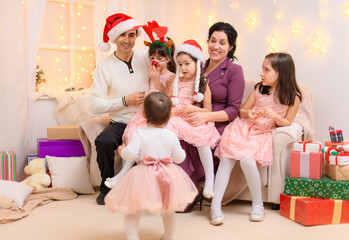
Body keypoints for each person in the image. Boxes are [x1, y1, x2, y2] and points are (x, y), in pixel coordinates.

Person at [211, 52, 302, 225]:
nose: (261, 73)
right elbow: (242, 111)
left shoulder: (293, 97)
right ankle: (215, 207)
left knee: (247, 161)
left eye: (266, 70)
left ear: (281, 73)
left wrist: (275, 116)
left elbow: (286, 122)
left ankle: (258, 205)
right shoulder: (259, 88)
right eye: (262, 69)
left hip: (261, 133)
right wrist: (249, 113)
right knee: (226, 160)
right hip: (244, 127)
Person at [105, 92, 198, 240]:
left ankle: (133, 237)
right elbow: (180, 158)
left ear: (143, 113)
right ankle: (169, 235)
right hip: (167, 174)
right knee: (168, 208)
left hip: (143, 174)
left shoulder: (139, 133)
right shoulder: (171, 135)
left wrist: (122, 150)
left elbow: (131, 155)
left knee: (133, 209)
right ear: (169, 116)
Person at [176, 22, 245, 211]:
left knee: (199, 138)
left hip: (219, 117)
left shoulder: (234, 71)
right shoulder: (197, 64)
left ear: (230, 47)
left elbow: (233, 109)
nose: (216, 46)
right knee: (174, 135)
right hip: (190, 113)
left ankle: (196, 189)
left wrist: (206, 117)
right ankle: (179, 189)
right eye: (213, 41)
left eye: (222, 43)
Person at [104, 21, 176, 189]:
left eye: (160, 58)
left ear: (169, 58)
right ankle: (122, 178)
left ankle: (121, 178)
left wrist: (157, 80)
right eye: (152, 58)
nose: (155, 61)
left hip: (160, 114)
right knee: (131, 137)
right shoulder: (150, 71)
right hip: (145, 114)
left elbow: (166, 101)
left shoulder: (172, 76)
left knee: (141, 138)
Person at [91, 13, 149, 205]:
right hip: (120, 121)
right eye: (122, 35)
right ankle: (106, 187)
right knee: (104, 141)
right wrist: (125, 100)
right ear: (114, 38)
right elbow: (95, 105)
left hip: (147, 120)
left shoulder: (146, 56)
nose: (127, 40)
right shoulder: (104, 67)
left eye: (131, 35)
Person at [166, 39, 221, 199]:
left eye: (187, 63)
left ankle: (210, 180)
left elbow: (207, 110)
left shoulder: (203, 84)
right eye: (180, 64)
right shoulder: (175, 82)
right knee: (165, 132)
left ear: (197, 64)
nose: (183, 68)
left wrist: (193, 108)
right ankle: (168, 178)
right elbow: (167, 101)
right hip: (176, 117)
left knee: (201, 137)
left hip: (194, 117)